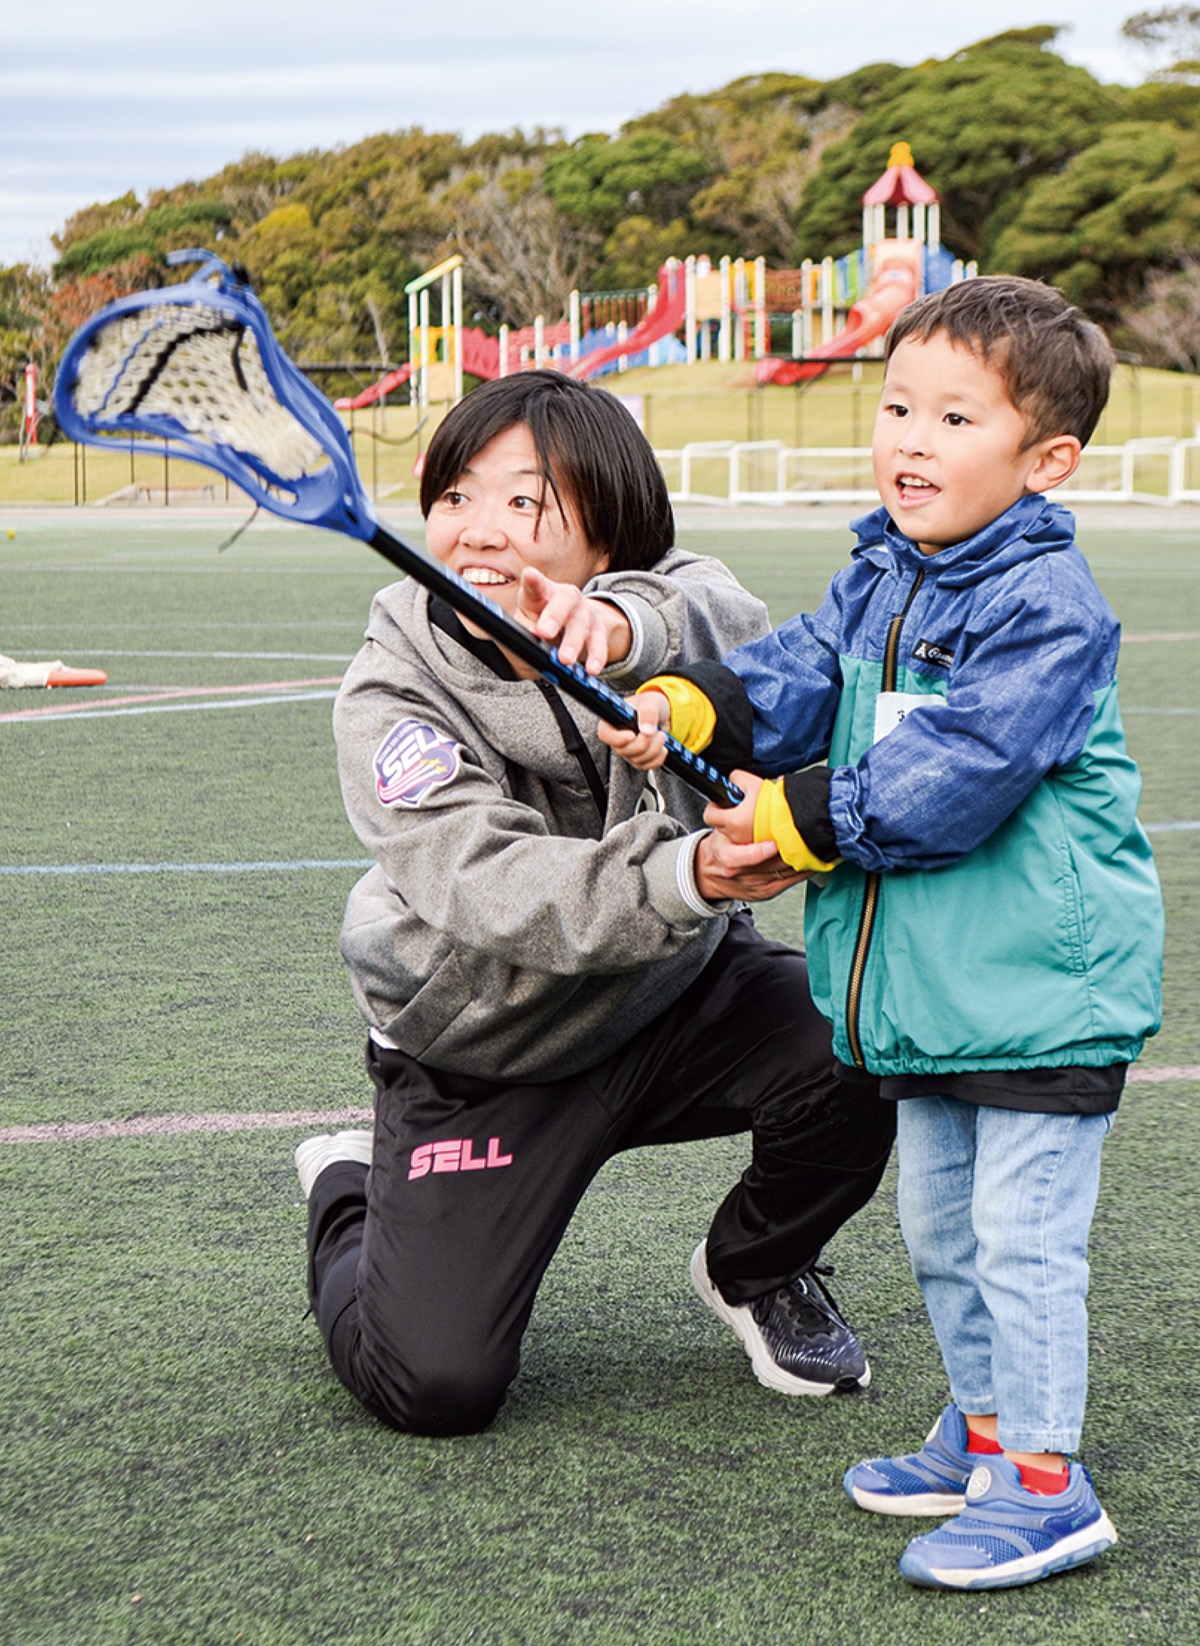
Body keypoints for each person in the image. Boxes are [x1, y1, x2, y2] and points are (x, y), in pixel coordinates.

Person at [602, 278, 1164, 1590]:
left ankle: (1046, 1483)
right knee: (942, 1230)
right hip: (926, 996)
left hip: (1037, 996)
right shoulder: (884, 576)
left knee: (1019, 1244)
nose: (910, 437)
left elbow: (960, 773)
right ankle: (981, 1432)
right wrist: (698, 706)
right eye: (898, 405)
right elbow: (799, 673)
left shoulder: (1048, 608)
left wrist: (799, 816)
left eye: (955, 416)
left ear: (1046, 461)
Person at [293, 370, 895, 1437]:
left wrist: (624, 629)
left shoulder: (648, 598)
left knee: (871, 1032)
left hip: (676, 994)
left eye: (525, 502)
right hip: (489, 1048)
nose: (479, 530)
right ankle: (348, 1186)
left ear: (608, 535)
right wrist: (688, 875)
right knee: (434, 1383)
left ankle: (757, 1266)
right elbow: (488, 882)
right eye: (456, 495)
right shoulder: (392, 690)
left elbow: (729, 611)